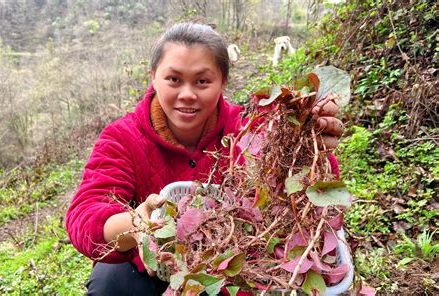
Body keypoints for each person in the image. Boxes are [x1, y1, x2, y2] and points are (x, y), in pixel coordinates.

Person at [65, 23, 344, 296]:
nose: (187, 94)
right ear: (153, 76)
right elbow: (84, 217)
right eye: (174, 79)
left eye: (202, 81)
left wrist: (309, 140)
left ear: (223, 81)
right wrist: (137, 225)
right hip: (153, 268)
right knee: (110, 282)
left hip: (229, 270)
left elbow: (312, 190)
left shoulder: (248, 129)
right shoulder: (123, 137)